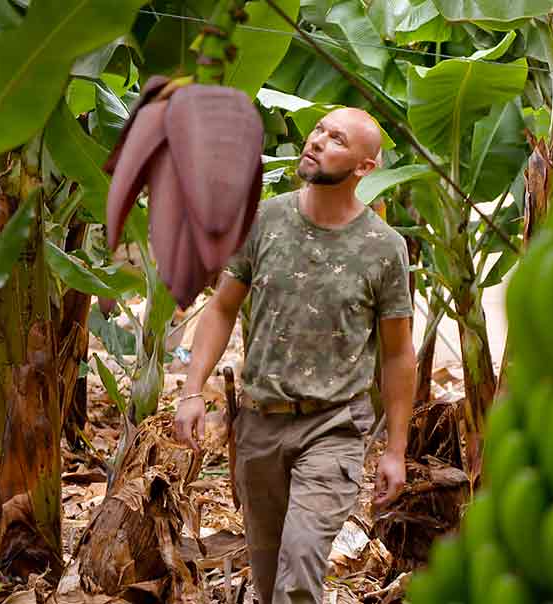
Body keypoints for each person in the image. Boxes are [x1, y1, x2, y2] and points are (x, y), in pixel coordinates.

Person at [173, 107, 416, 604]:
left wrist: (395, 450)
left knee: (301, 566)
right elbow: (221, 308)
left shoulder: (383, 248)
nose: (318, 140)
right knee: (268, 581)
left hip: (334, 427)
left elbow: (397, 355)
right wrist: (192, 391)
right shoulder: (264, 219)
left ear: (364, 167)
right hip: (260, 425)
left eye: (337, 139)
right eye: (319, 130)